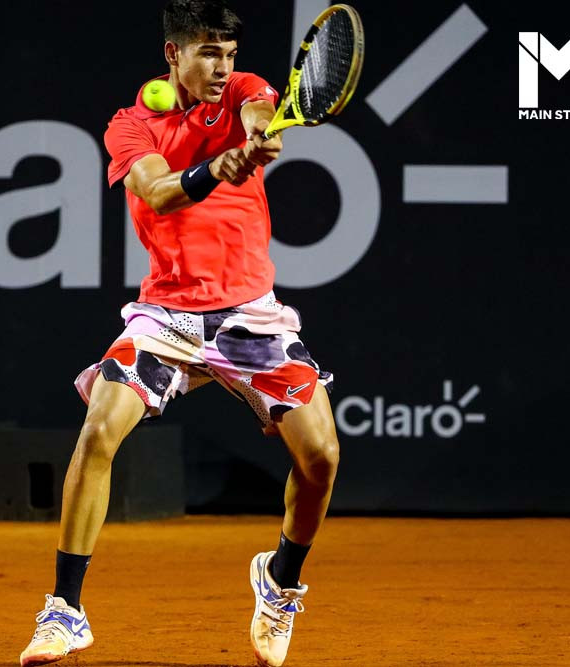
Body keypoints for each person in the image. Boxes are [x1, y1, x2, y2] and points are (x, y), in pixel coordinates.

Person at [19, 1, 340, 666]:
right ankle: (65, 610)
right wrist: (214, 169)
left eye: (229, 53)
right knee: (99, 429)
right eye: (208, 53)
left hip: (252, 316)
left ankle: (279, 579)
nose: (222, 67)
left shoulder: (245, 90)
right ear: (174, 54)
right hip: (167, 317)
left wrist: (257, 139)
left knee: (322, 459)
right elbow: (159, 191)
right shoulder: (130, 125)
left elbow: (260, 117)